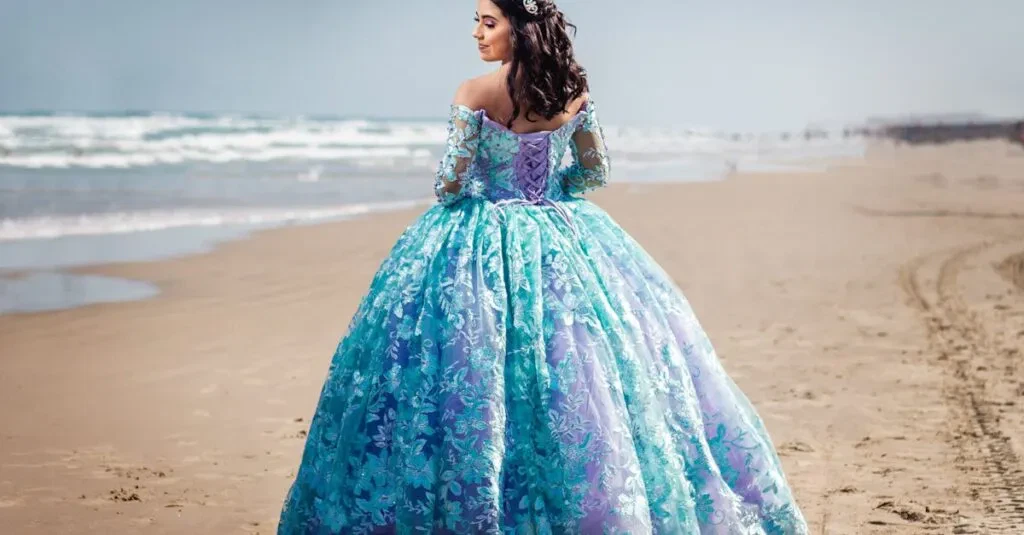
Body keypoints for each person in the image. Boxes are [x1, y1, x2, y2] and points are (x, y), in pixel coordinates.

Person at [277, 1, 809, 533]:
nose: (476, 33)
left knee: (462, 364)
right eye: (478, 21)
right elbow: (595, 171)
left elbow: (450, 183)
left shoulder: (474, 93)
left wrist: (486, 192)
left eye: (489, 22)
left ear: (521, 27)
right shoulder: (571, 93)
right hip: (562, 231)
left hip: (476, 237)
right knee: (576, 363)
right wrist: (555, 194)